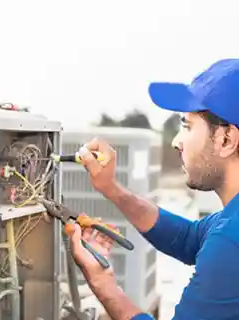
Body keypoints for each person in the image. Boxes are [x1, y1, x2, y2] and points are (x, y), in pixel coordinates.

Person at [69, 59, 239, 320]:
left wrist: (102, 282)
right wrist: (111, 188)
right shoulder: (229, 225)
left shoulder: (231, 241)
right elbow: (188, 238)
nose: (176, 141)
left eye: (187, 126)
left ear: (226, 139)